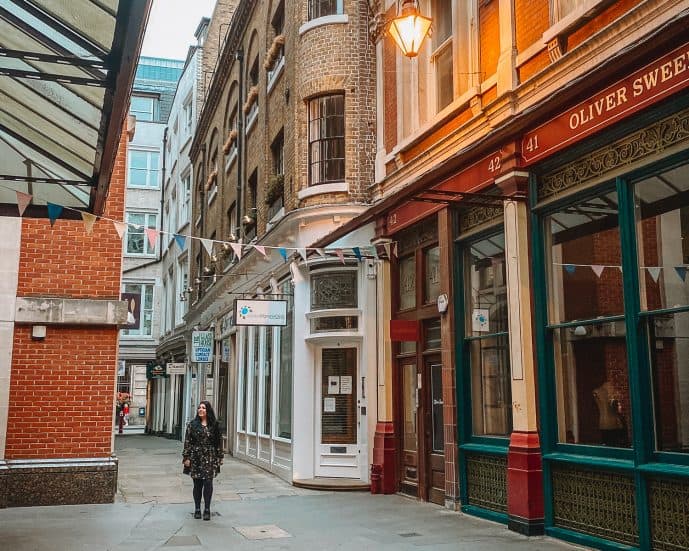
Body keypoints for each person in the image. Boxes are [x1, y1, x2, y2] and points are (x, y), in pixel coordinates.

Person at [182, 401, 223, 520]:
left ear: (208, 410)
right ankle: (197, 509)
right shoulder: (192, 424)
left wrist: (220, 457)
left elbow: (219, 442)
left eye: (203, 408)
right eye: (199, 408)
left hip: (210, 456)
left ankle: (207, 509)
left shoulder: (214, 425)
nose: (200, 410)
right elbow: (188, 441)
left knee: (208, 482)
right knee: (197, 483)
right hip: (196, 457)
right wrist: (186, 457)